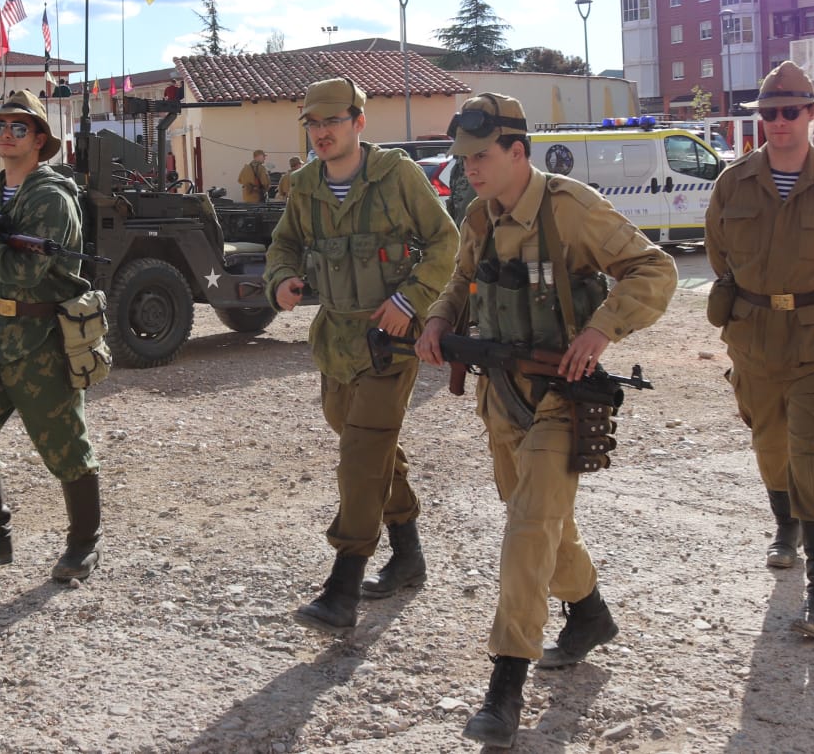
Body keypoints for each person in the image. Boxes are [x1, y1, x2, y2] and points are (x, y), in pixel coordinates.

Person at [413, 92, 676, 747]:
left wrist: (600, 331)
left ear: (517, 151)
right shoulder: (477, 215)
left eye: (480, 156)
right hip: (502, 395)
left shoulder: (571, 210)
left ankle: (505, 688)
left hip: (565, 396)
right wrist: (441, 321)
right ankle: (587, 613)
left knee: (528, 527)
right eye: (463, 159)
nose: (469, 169)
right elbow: (461, 280)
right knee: (542, 524)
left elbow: (655, 269)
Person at [264, 77, 459, 636]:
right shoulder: (304, 186)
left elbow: (446, 243)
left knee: (360, 454)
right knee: (364, 444)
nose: (322, 133)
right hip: (336, 341)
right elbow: (283, 245)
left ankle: (342, 585)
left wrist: (408, 300)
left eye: (333, 122)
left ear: (358, 122)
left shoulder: (398, 177)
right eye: (314, 124)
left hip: (390, 341)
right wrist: (281, 280)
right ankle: (408, 552)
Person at [705, 62, 814, 642]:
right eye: (768, 113)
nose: (778, 123)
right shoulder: (733, 183)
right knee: (769, 445)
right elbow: (718, 256)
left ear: (812, 115)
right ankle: (787, 528)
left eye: (790, 112)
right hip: (754, 338)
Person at [0, 90, 103, 583]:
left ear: (40, 139)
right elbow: (0, 269)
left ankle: (84, 544)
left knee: (65, 447)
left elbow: (31, 272)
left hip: (42, 336)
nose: (5, 134)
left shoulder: (52, 196)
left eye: (18, 127)